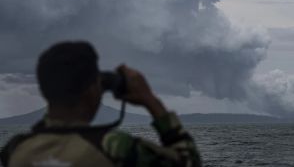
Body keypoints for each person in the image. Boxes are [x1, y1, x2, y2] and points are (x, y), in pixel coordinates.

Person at [0, 41, 201, 167]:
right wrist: (151, 101)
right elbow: (188, 161)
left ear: (45, 90)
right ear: (91, 91)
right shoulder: (115, 147)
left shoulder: (14, 149)